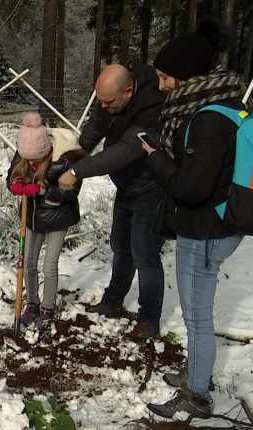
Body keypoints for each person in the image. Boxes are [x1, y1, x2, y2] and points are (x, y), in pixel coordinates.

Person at [142, 19, 243, 418]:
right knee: (197, 313)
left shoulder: (208, 120)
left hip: (206, 229)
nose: (163, 85)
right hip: (213, 223)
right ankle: (196, 373)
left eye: (166, 77)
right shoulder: (225, 106)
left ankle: (197, 396)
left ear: (187, 75)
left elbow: (190, 188)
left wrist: (155, 159)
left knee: (197, 316)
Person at [58, 61, 168, 342]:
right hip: (127, 185)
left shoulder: (153, 105)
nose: (103, 106)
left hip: (152, 186)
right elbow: (98, 123)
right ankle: (113, 302)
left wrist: (78, 171)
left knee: (144, 253)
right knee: (121, 246)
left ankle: (149, 319)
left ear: (129, 92)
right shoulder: (112, 100)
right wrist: (81, 151)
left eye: (109, 101)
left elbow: (128, 148)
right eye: (100, 100)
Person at [7, 113, 86, 325]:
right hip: (31, 217)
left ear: (46, 150)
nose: (30, 162)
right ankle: (31, 303)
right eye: (27, 158)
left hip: (57, 218)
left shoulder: (66, 158)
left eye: (35, 159)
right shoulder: (24, 153)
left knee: (49, 266)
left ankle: (47, 308)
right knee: (28, 263)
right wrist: (14, 184)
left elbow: (71, 193)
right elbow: (11, 176)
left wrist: (44, 191)